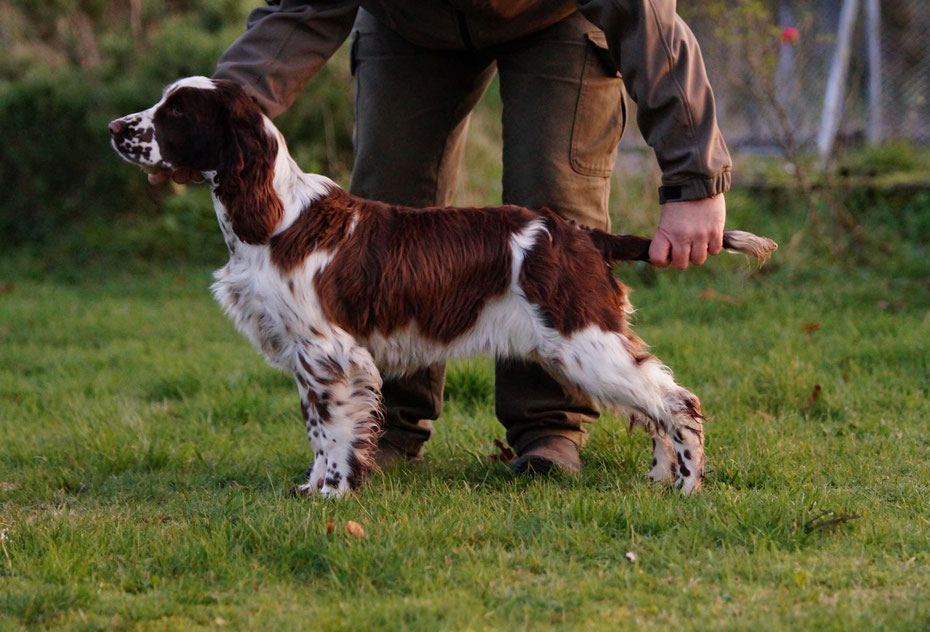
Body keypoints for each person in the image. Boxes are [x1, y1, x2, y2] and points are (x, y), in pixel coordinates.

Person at [151, 0, 732, 475]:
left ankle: (549, 431)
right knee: (382, 216)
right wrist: (213, 124)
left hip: (555, 15)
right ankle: (386, 429)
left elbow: (647, 15)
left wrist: (695, 178)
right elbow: (299, 10)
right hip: (409, 20)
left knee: (557, 222)